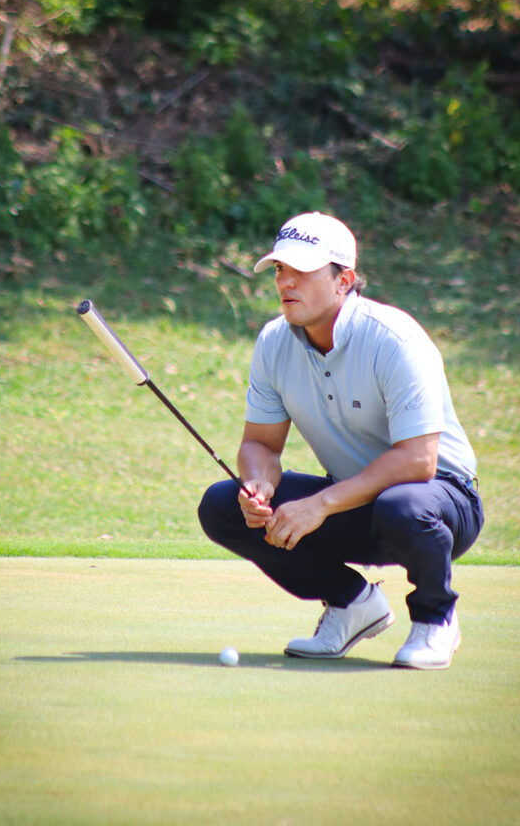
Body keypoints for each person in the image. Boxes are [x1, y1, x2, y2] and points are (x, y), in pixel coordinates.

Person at [198, 211, 484, 670]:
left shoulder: (395, 339)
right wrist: (258, 484)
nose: (285, 282)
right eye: (280, 269)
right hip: (353, 503)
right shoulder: (274, 342)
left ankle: (436, 619)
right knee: (223, 505)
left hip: (440, 503)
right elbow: (261, 446)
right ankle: (352, 604)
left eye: (302, 270)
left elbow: (418, 461)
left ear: (344, 280)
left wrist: (320, 505)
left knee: (402, 506)